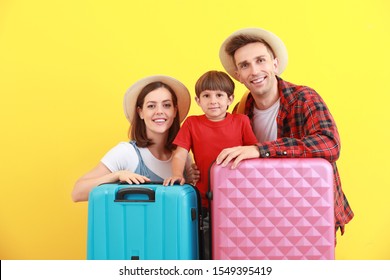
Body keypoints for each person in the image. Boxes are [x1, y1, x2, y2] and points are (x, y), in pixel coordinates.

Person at [216, 27, 354, 239]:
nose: (254, 71)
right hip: (260, 216)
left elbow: (329, 144)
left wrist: (260, 150)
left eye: (261, 60)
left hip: (310, 212)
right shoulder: (240, 111)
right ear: (238, 76)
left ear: (275, 64)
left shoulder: (303, 98)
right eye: (245, 65)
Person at [163, 70, 258, 258]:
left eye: (219, 95)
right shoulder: (192, 123)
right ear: (198, 101)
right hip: (204, 200)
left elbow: (253, 155)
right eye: (206, 96)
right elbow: (179, 155)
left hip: (237, 199)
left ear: (230, 99)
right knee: (206, 246)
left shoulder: (241, 121)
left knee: (235, 245)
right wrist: (177, 174)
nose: (213, 101)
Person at [72, 75, 198, 202]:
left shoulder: (183, 156)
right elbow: (77, 193)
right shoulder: (127, 153)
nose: (159, 111)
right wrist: (116, 175)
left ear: (175, 111)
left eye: (166, 105)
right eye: (151, 106)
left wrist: (191, 180)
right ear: (140, 112)